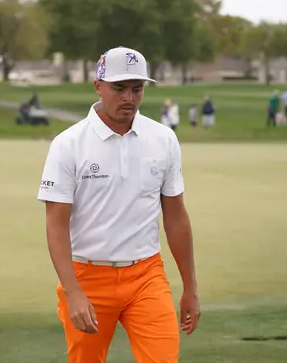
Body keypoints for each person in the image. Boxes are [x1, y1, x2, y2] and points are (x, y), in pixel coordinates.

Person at [37, 46, 200, 363]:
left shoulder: (163, 139)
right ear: (98, 86)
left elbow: (176, 218)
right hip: (88, 277)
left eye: (137, 89)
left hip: (146, 275)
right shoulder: (68, 144)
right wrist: (73, 293)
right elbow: (56, 224)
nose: (129, 97)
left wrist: (190, 288)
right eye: (119, 88)